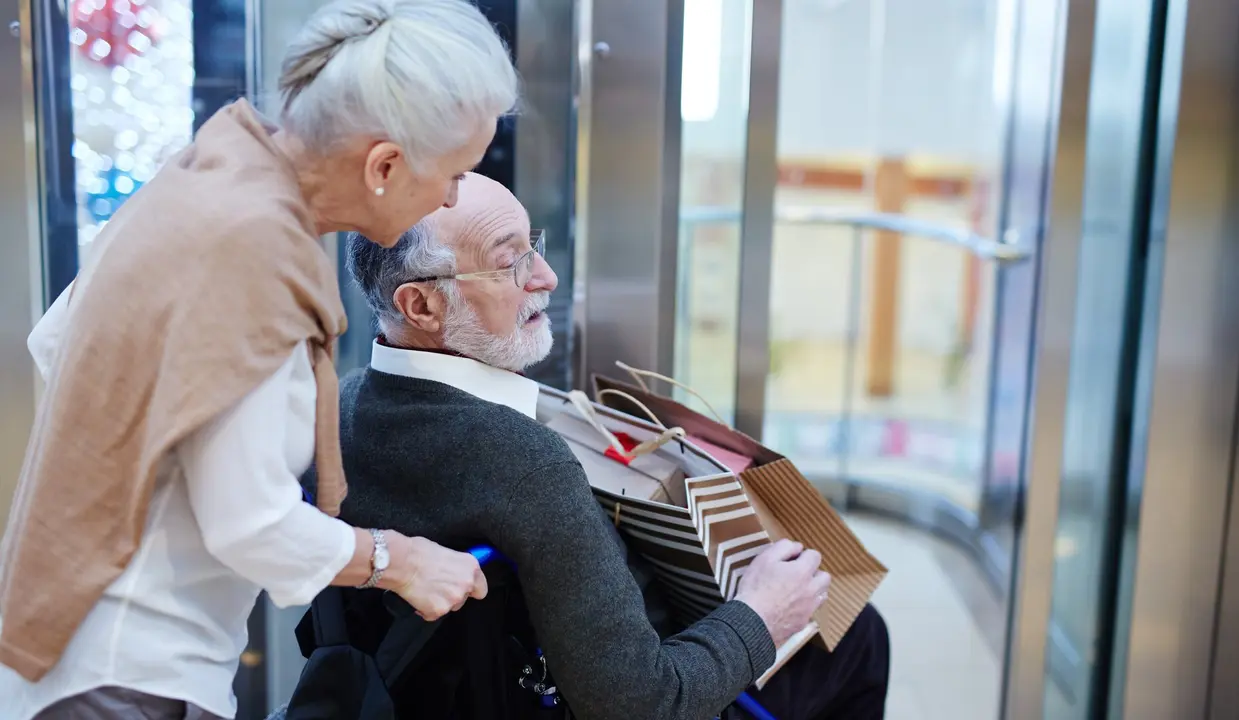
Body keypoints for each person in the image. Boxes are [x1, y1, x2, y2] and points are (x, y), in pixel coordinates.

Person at [0, 2, 518, 719]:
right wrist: (400, 562)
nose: (455, 195)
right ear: (385, 165)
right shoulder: (251, 254)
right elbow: (249, 523)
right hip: (127, 676)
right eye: (456, 173)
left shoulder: (207, 175)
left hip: (77, 645)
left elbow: (56, 344)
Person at [333, 172, 891, 719]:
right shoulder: (528, 463)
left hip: (419, 690)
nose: (546, 278)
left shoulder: (342, 407)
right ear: (422, 307)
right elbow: (643, 704)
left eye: (536, 248)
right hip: (617, 687)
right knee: (860, 637)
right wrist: (763, 613)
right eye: (510, 262)